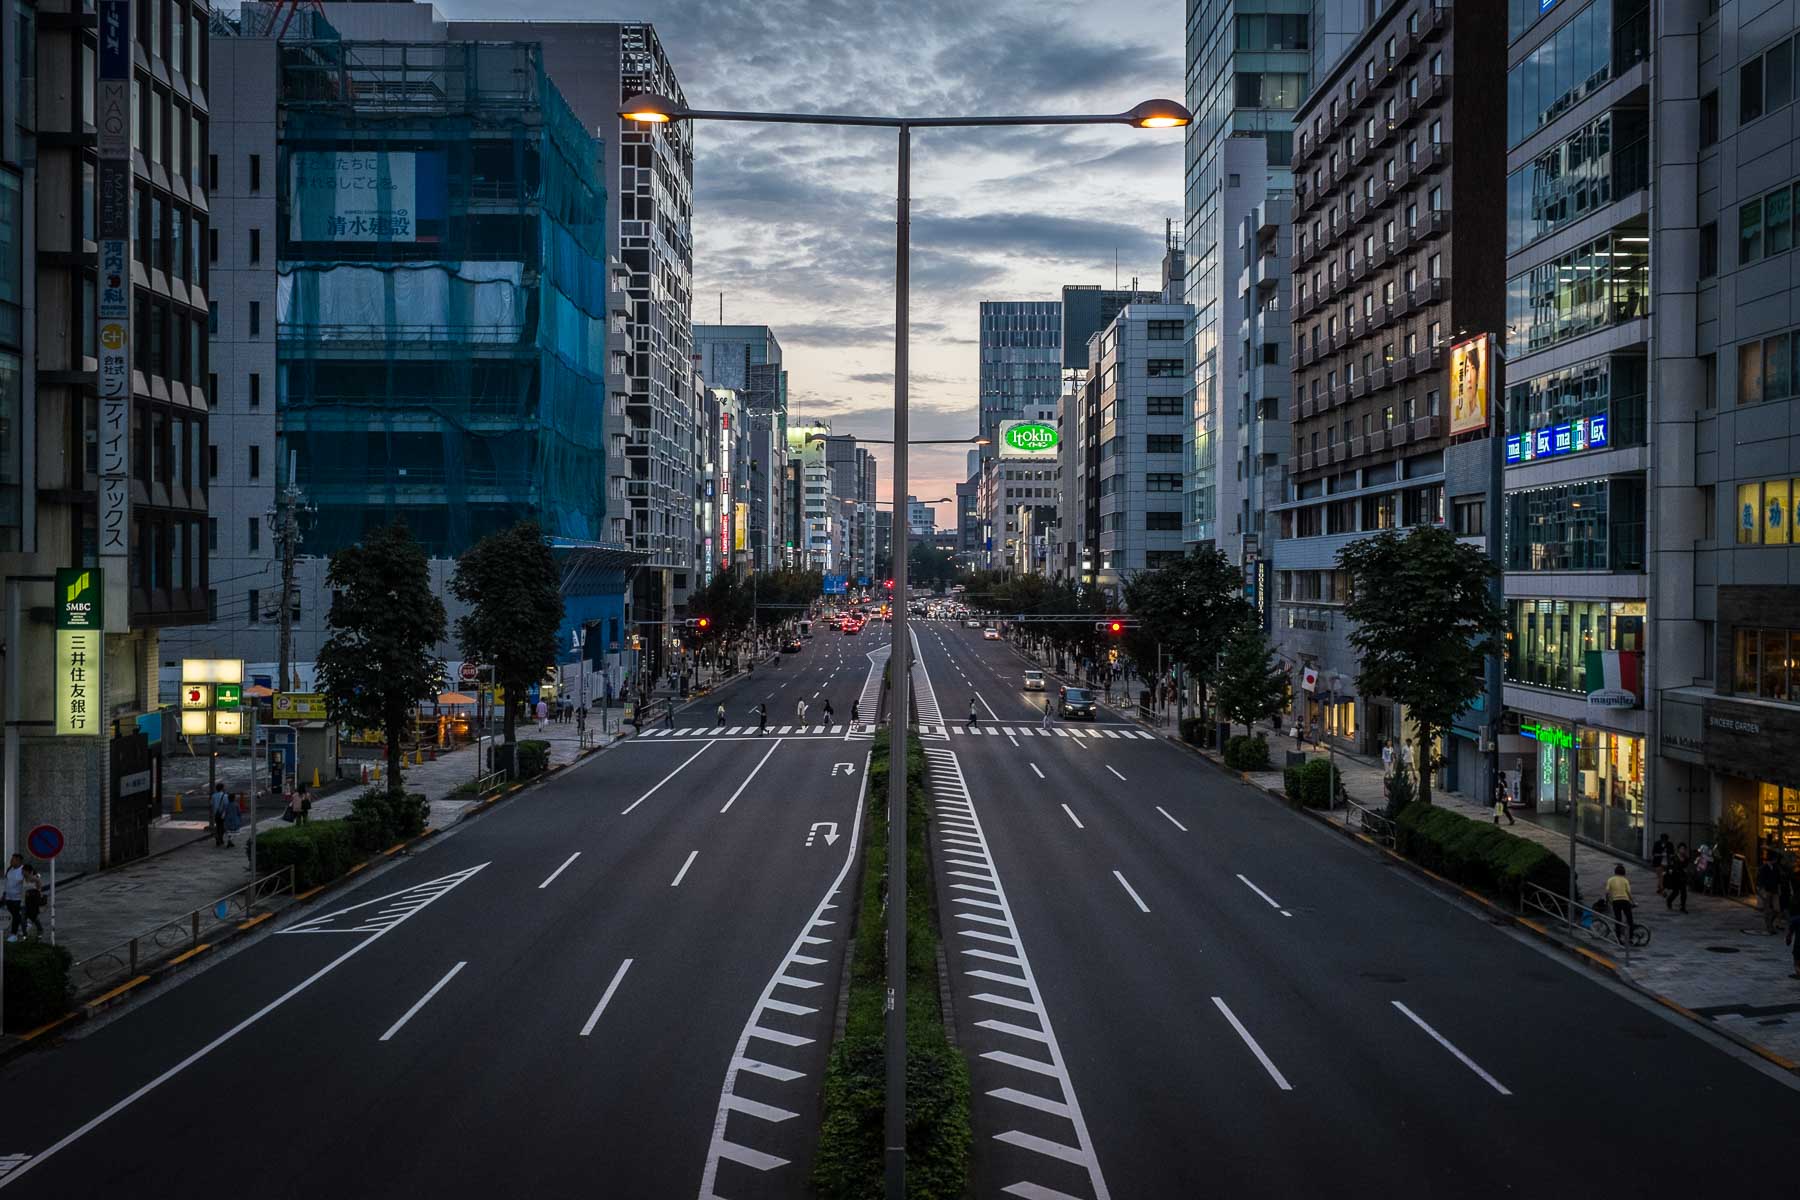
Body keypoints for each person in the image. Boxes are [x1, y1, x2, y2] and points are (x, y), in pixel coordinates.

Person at [1604, 864, 1634, 944]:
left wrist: (1608, 900)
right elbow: (1628, 892)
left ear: (1615, 872)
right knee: (1630, 919)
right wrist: (1633, 901)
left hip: (1616, 901)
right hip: (1625, 901)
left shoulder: (1610, 879)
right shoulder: (1625, 880)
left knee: (1618, 919)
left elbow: (1607, 892)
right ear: (1624, 872)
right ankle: (1631, 937)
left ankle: (1618, 938)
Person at [1759, 848, 1783, 935]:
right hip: (1767, 890)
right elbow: (1761, 880)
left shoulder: (1776, 868)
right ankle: (1769, 927)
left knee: (1777, 909)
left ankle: (1770, 923)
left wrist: (1779, 889)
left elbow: (1779, 880)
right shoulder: (1764, 868)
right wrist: (1762, 891)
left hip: (1775, 890)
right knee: (1767, 910)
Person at [3, 854, 23, 941]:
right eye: (11, 859)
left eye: (13, 860)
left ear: (18, 861)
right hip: (8, 897)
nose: (11, 861)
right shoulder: (9, 869)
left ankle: (13, 934)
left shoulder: (23, 870)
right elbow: (7, 882)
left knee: (15, 915)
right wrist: (4, 894)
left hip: (17, 898)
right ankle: (24, 924)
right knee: (14, 915)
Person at [21, 862, 43, 939]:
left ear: (28, 871)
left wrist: (32, 893)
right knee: (23, 920)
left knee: (34, 918)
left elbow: (39, 891)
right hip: (23, 903)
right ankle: (25, 935)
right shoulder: (23, 879)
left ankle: (40, 929)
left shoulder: (35, 879)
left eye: (23, 871)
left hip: (32, 904)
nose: (22, 872)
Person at [1665, 843, 1689, 913]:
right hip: (1675, 877)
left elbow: (1687, 867)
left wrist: (1686, 871)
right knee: (1676, 892)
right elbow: (1670, 867)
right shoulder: (1674, 857)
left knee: (1684, 892)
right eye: (1681, 849)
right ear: (1678, 849)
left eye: (1684, 849)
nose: (1683, 850)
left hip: (1683, 877)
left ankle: (1682, 906)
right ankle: (1669, 900)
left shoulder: (1686, 858)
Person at [210, 782, 232, 848]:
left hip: (216, 813)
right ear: (222, 788)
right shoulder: (225, 796)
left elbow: (211, 804)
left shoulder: (213, 795)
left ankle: (218, 838)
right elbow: (226, 805)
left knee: (217, 825)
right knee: (222, 826)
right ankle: (220, 838)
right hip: (223, 813)